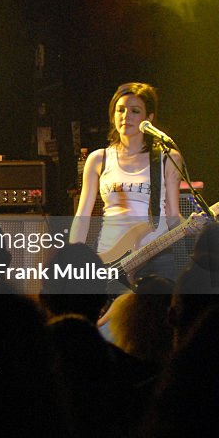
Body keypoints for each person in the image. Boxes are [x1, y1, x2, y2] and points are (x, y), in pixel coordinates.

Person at [70, 82, 183, 285]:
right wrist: (74, 256)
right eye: (120, 110)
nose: (125, 116)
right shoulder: (99, 158)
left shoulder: (167, 157)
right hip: (109, 255)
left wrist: (195, 227)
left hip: (156, 254)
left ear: (149, 118)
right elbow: (82, 214)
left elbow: (173, 215)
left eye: (135, 111)